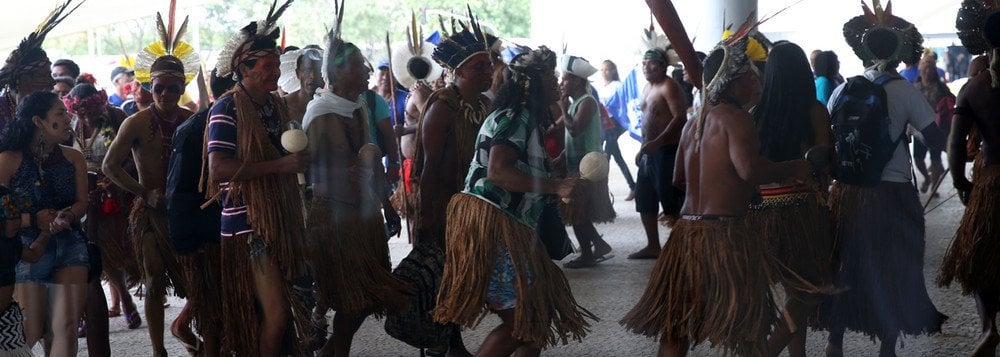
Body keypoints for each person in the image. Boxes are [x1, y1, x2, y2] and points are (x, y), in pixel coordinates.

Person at [620, 32, 811, 357]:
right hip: (724, 235)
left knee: (676, 328)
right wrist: (792, 168)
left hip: (686, 235)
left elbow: (680, 178)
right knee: (745, 328)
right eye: (752, 75)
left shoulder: (694, 121)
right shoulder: (736, 118)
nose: (758, 81)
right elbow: (749, 169)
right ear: (737, 82)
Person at [433, 45, 597, 357]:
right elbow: (497, 173)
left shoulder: (525, 118)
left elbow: (518, 170)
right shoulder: (515, 116)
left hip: (505, 223)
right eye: (550, 77)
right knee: (521, 322)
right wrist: (555, 185)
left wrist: (557, 175)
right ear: (532, 83)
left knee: (534, 320)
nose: (557, 83)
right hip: (494, 225)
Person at [820, 4, 948, 356]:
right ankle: (887, 347)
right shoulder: (904, 92)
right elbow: (934, 140)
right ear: (896, 55)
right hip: (891, 193)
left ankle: (835, 341)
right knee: (895, 266)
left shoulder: (842, 90)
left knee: (844, 263)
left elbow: (830, 139)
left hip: (846, 193)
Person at [301, 20, 410, 357]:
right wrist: (357, 165)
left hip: (362, 217)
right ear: (339, 71)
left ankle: (334, 349)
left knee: (367, 296)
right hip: (334, 220)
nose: (366, 69)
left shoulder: (358, 106)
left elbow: (368, 163)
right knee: (355, 298)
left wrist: (388, 204)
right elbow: (318, 174)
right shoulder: (320, 114)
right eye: (358, 64)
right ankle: (331, 347)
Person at [207, 2, 308, 355]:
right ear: (243, 69)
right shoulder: (227, 108)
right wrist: (281, 167)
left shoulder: (274, 105)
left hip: (278, 219)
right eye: (267, 66)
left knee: (282, 314)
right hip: (248, 227)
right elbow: (218, 169)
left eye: (277, 65)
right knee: (277, 315)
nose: (275, 73)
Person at [102, 14, 203, 353]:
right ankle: (158, 349)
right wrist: (144, 192)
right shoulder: (135, 122)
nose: (165, 94)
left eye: (173, 88)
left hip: (186, 211)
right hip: (151, 213)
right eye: (159, 87)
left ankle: (184, 326)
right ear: (148, 86)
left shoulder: (193, 121)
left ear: (183, 88)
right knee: (155, 280)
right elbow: (109, 165)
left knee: (198, 279)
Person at [406, 17, 499, 355]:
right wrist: (429, 214)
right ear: (457, 71)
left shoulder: (485, 105)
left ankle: (447, 341)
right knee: (447, 274)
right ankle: (447, 342)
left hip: (475, 204)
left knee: (463, 273)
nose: (487, 72)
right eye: (478, 67)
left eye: (488, 66)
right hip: (446, 204)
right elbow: (429, 167)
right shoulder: (443, 107)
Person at [748, 42, 838, 357]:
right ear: (803, 72)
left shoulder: (756, 113)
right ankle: (767, 351)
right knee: (808, 292)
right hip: (802, 210)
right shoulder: (813, 109)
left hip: (763, 213)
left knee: (794, 290)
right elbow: (825, 162)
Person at [0, 90, 90, 357]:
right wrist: (31, 219)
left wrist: (69, 216)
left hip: (70, 243)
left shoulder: (74, 158)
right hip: (26, 247)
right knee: (30, 329)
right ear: (38, 121)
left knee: (67, 326)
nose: (67, 118)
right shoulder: (8, 159)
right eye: (60, 114)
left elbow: (82, 202)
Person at [938, 3, 1000, 355]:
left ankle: (989, 326)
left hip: (992, 183)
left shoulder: (975, 88)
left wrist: (962, 182)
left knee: (979, 258)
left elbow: (954, 144)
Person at [64, 83, 143, 356]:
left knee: (111, 254)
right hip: (82, 196)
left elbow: (135, 156)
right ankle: (111, 306)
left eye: (89, 111)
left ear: (98, 105)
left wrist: (116, 180)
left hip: (112, 196)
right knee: (90, 255)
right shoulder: (69, 124)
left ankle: (127, 301)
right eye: (80, 112)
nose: (85, 118)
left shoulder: (116, 117)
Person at [165, 68, 235, 357]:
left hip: (227, 228)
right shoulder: (194, 129)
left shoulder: (240, 121)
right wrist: (187, 244)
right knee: (212, 313)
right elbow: (179, 191)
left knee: (223, 303)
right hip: (203, 233)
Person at [629, 41, 687, 260]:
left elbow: (680, 117)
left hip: (667, 151)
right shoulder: (647, 87)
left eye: (651, 64)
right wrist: (643, 149)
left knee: (670, 199)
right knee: (645, 197)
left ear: (663, 66)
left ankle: (682, 245)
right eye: (643, 63)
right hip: (649, 152)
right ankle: (653, 245)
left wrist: (658, 142)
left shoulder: (669, 86)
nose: (646, 67)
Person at [556, 55, 614, 268]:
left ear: (578, 81)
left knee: (577, 212)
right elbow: (567, 135)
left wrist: (562, 107)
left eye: (565, 80)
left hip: (588, 167)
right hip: (576, 163)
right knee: (577, 211)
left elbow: (575, 129)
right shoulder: (576, 103)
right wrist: (561, 156)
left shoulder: (588, 102)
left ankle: (591, 252)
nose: (562, 84)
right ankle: (597, 246)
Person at [0, 185, 51, 357]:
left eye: (18, 217)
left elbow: (34, 254)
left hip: (7, 322)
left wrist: (45, 233)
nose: (17, 222)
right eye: (11, 218)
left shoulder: (12, 243)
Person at [913, 52, 955, 193]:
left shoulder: (941, 87)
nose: (928, 71)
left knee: (935, 159)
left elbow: (952, 100)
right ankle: (927, 177)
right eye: (925, 68)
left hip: (937, 128)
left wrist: (944, 109)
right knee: (918, 159)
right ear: (921, 70)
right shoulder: (914, 88)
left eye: (931, 68)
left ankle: (934, 188)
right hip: (919, 129)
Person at [596, 59, 636, 201]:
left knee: (606, 158)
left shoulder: (617, 86)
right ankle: (633, 186)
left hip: (614, 126)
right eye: (602, 70)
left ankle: (602, 193)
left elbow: (623, 108)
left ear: (613, 70)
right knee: (617, 157)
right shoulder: (602, 88)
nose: (604, 73)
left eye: (607, 69)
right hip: (605, 126)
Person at [278, 45, 324, 124]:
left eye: (318, 71)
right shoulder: (282, 106)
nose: (313, 76)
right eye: (307, 70)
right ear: (298, 73)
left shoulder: (332, 106)